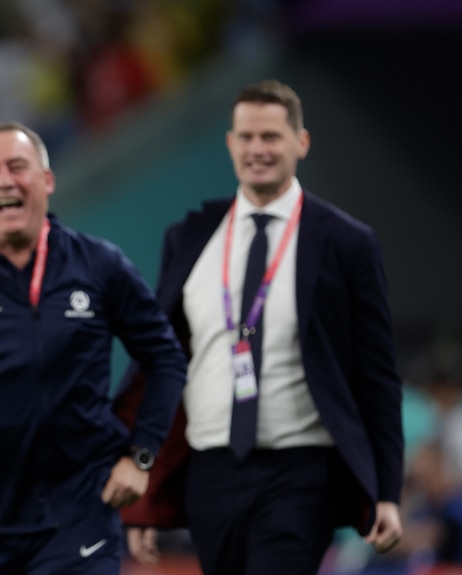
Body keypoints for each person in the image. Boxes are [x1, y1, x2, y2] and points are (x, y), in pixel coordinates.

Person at [116, 79, 405, 574]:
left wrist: (387, 491)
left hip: (299, 471)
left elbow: (377, 376)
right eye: (246, 137)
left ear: (301, 142)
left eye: (271, 136)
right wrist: (146, 496)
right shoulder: (188, 237)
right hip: (209, 473)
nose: (258, 150)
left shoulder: (347, 243)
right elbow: (161, 367)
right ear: (229, 143)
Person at [0, 121, 187, 574]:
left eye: (18, 166)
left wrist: (142, 455)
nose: (5, 181)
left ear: (47, 180)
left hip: (81, 512)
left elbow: (165, 358)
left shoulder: (100, 265)